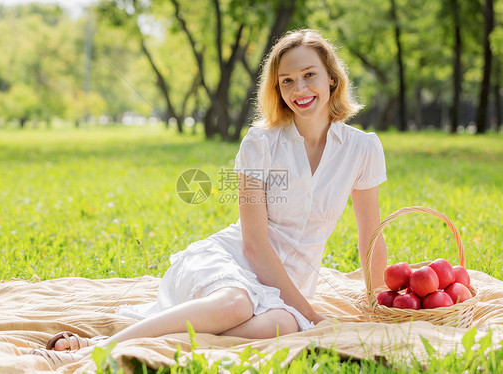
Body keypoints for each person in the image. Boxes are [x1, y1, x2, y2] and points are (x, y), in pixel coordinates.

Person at [32, 28, 388, 365]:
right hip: (228, 264)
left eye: (310, 75)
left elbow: (370, 236)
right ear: (277, 89)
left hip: (287, 291)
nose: (300, 88)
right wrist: (312, 315)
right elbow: (254, 246)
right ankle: (96, 349)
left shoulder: (362, 148)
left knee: (280, 326)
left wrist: (380, 305)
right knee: (238, 304)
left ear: (332, 78)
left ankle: (157, 333)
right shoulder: (260, 144)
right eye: (287, 81)